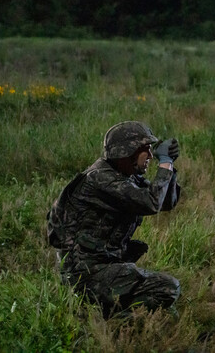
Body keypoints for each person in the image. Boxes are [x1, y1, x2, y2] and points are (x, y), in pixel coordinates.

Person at [47, 121, 182, 317]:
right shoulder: (101, 179)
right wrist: (165, 163)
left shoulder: (125, 176)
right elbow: (150, 203)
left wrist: (170, 166)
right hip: (85, 274)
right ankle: (107, 318)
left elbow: (166, 203)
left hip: (103, 267)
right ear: (127, 151)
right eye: (145, 150)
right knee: (168, 288)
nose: (151, 156)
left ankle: (109, 311)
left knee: (168, 311)